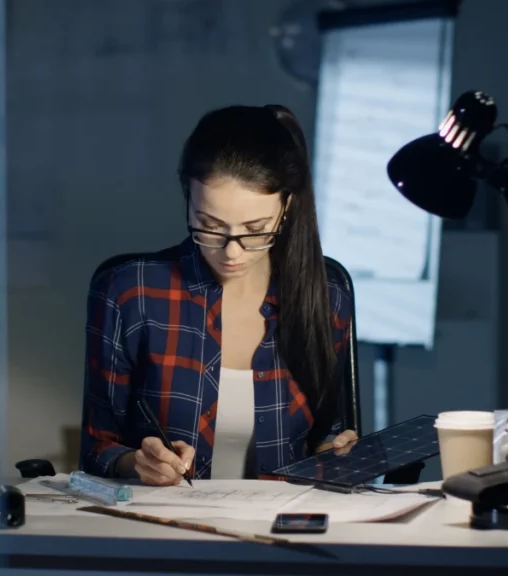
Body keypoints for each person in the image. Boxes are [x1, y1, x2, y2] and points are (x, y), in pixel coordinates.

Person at [79, 104, 357, 486]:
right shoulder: (132, 293)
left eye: (255, 229)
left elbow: (327, 434)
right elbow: (97, 446)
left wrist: (335, 452)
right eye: (209, 226)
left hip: (284, 527)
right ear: (187, 198)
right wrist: (137, 463)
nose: (232, 252)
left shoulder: (327, 298)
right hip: (167, 530)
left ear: (286, 208)